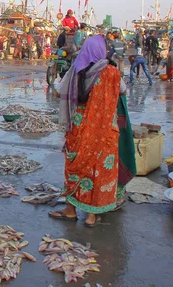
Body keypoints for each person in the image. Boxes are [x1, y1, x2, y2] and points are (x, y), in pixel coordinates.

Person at [50, 35, 126, 227]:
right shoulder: (112, 72)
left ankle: (71, 210)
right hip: (106, 129)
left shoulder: (76, 70)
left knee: (76, 166)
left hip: (80, 125)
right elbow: (124, 91)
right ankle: (92, 216)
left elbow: (59, 90)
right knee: (99, 170)